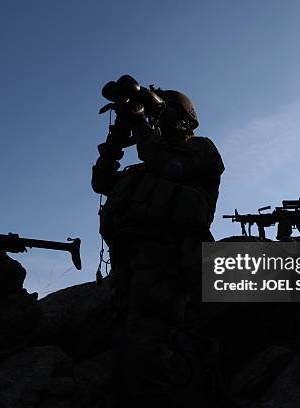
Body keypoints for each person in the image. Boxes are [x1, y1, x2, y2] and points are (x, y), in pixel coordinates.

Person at [92, 83, 225, 407]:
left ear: (183, 121)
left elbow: (168, 165)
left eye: (163, 112)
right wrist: (117, 138)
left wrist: (139, 124)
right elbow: (102, 182)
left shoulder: (201, 151)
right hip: (130, 263)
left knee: (151, 346)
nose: (156, 119)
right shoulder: (144, 165)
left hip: (171, 260)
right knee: (123, 345)